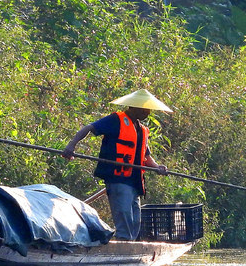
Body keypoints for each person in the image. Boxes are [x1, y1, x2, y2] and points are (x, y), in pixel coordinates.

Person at [63, 89, 171, 241]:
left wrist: (157, 167)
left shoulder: (141, 129)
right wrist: (71, 145)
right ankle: (123, 244)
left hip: (135, 182)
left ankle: (129, 248)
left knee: (135, 220)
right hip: (118, 178)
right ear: (133, 107)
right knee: (124, 216)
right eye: (145, 109)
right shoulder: (116, 120)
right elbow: (89, 128)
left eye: (149, 110)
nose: (148, 113)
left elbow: (146, 157)